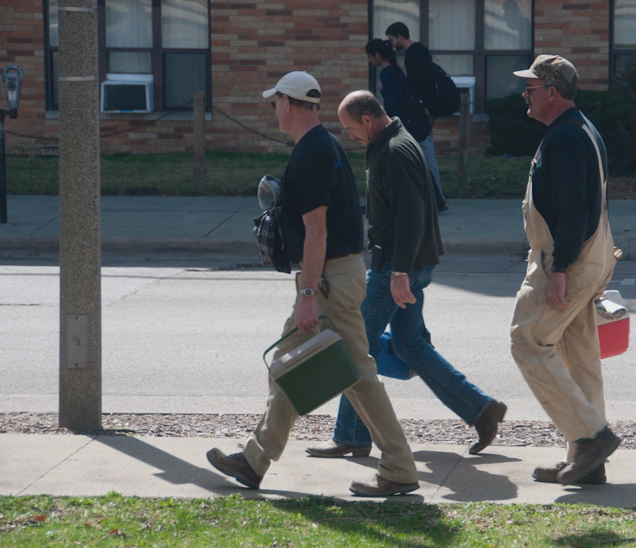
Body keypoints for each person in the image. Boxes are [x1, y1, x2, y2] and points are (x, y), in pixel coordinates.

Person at [206, 71, 421, 497]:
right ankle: (254, 460)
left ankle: (399, 467)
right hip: (331, 276)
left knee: (356, 374)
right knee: (289, 363)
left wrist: (307, 295)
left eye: (274, 103)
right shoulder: (326, 145)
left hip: (327, 281)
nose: (274, 110)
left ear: (287, 103)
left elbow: (316, 232)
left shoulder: (310, 154)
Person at [306, 90, 507, 460]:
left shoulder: (395, 150)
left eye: (351, 127)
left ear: (367, 120)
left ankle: (351, 435)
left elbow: (411, 217)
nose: (350, 135)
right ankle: (481, 409)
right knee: (409, 344)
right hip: (408, 263)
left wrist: (399, 271)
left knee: (357, 345)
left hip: (397, 267)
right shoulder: (392, 142)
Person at [509, 55, 623, 485]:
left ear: (552, 92)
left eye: (531, 88)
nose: (525, 94)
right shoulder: (579, 129)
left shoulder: (566, 137)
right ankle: (587, 461)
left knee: (528, 341)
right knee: (579, 357)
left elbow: (575, 209)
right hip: (589, 257)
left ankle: (591, 438)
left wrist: (559, 270)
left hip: (567, 260)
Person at [385, 22, 448, 213]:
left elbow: (420, 85)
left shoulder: (412, 57)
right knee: (424, 151)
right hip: (427, 108)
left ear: (399, 37)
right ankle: (434, 197)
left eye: (392, 39)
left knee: (426, 151)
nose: (391, 44)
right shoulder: (420, 52)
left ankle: (437, 198)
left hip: (423, 110)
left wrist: (424, 107)